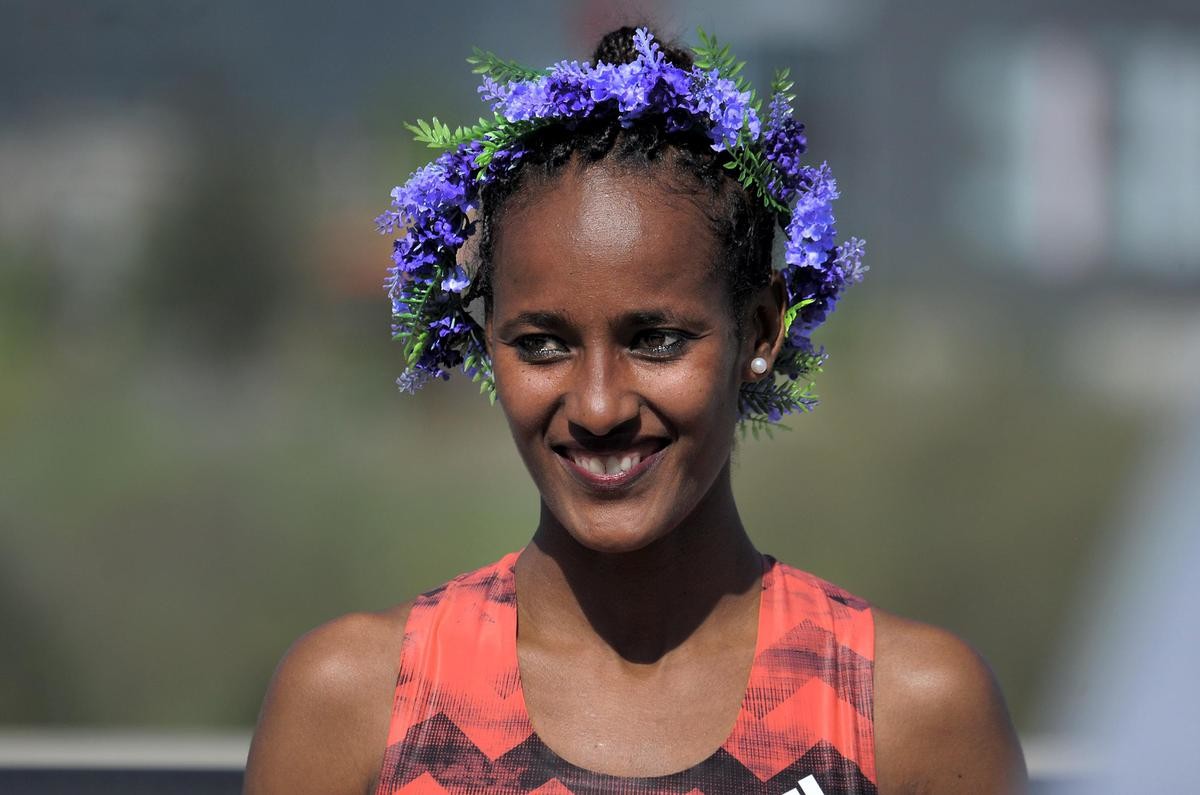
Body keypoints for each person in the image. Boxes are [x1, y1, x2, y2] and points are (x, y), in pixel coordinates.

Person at [244, 25, 1026, 795]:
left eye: (656, 340)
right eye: (542, 344)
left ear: (759, 331)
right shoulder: (359, 706)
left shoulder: (904, 717)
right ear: (487, 342)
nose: (597, 405)